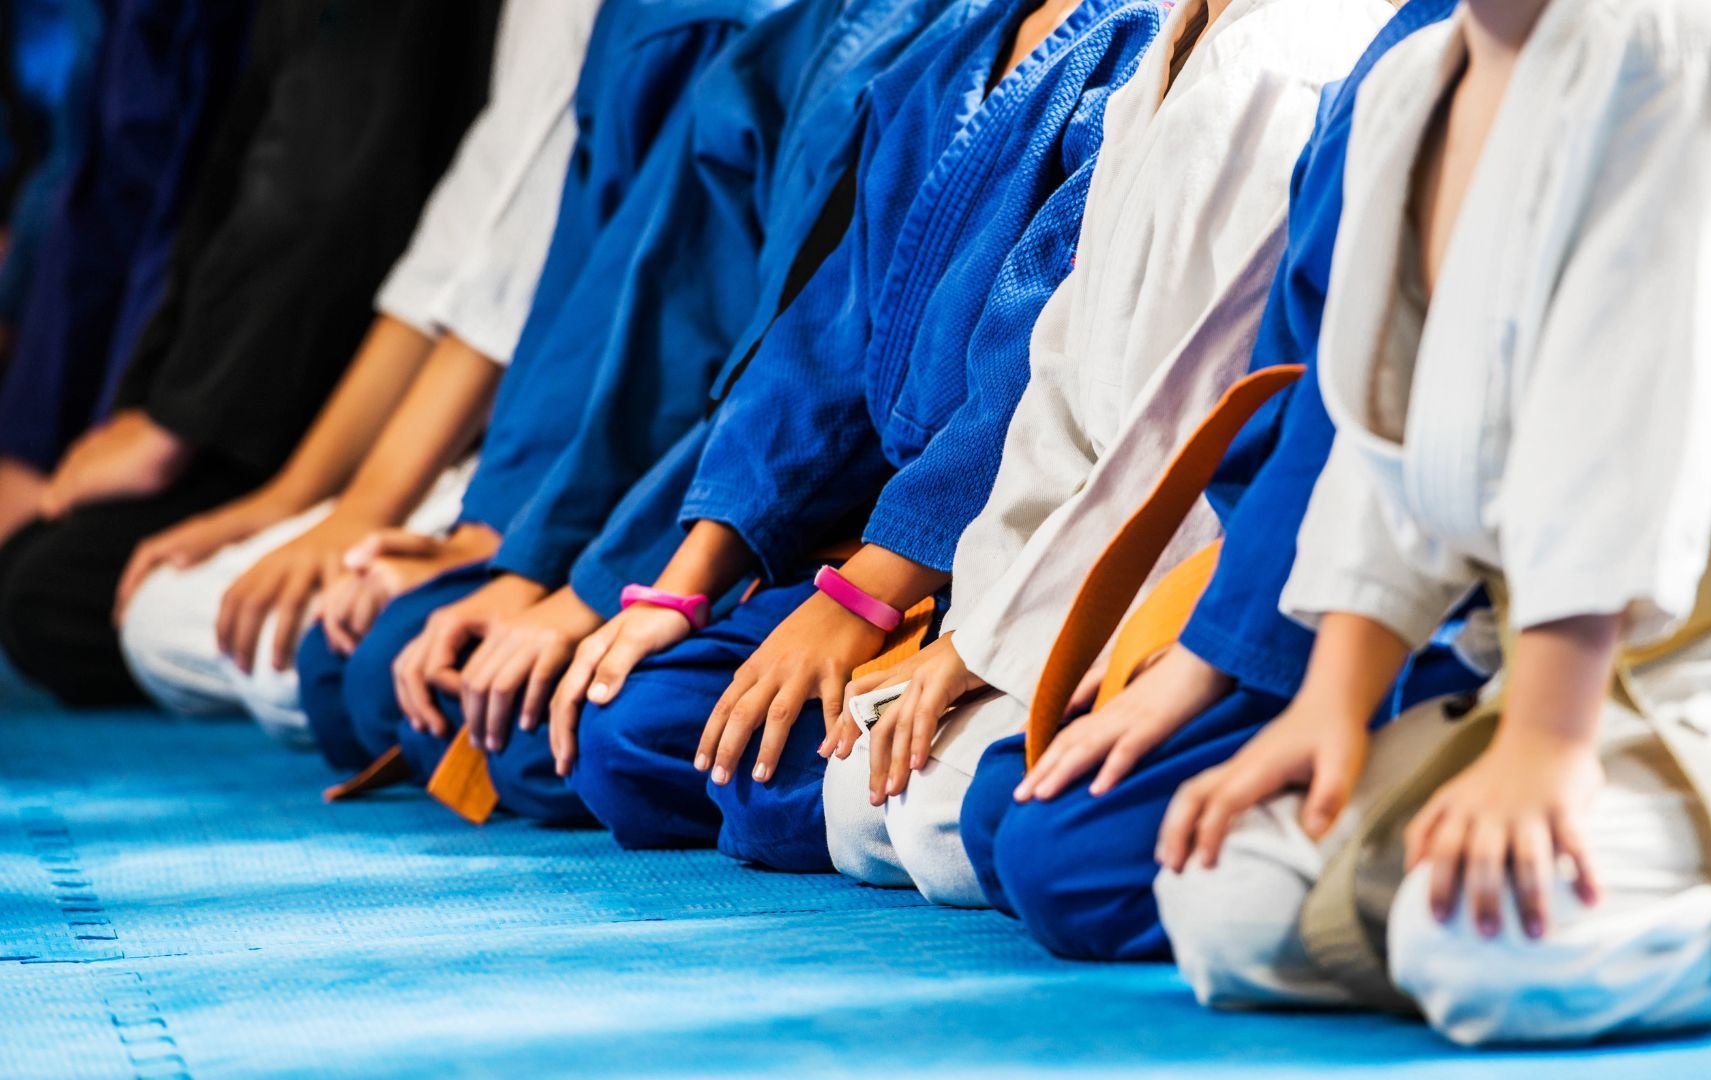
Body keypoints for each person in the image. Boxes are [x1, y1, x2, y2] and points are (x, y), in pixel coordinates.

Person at [1150, 0, 1711, 1045]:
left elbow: (1625, 410)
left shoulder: (1685, 38)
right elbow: (1388, 444)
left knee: (1483, 950)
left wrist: (1547, 738)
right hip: (1544, 664)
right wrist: (1330, 705)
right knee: (1229, 902)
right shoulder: (1412, 83)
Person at [550, 0, 1167, 874]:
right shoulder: (955, 43)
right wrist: (686, 584)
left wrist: (866, 597)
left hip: (1004, 552)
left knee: (761, 792)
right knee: (621, 729)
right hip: (880, 553)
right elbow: (824, 350)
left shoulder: (1142, 49)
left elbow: (1022, 381)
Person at [294, 0, 938, 813]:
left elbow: (838, 378)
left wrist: (608, 582)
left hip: (873, 528)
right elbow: (646, 311)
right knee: (383, 683)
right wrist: (517, 547)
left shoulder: (971, 40)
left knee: (568, 739)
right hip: (720, 495)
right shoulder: (798, 26)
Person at [819, 0, 1395, 907]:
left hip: (1190, 569)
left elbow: (1177, 436)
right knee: (857, 801)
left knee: (955, 826)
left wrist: (998, 647)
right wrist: (977, 631)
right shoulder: (1172, 52)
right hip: (1070, 565)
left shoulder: (1288, 62)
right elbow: (1052, 392)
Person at [949, 0, 1473, 961]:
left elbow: (1469, 435)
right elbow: (1321, 417)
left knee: (1058, 853)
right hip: (1320, 580)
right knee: (998, 814)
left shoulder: (1632, 52)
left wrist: (1229, 652)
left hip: (1530, 617)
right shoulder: (1418, 54)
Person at [111, 0, 600, 740]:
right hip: (511, 449)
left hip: (578, 452)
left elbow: (505, 303)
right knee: (167, 618)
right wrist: (301, 499)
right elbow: (449, 271)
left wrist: (374, 515)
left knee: (309, 663)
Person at [0, 0, 498, 708]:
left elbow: (332, 207)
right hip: (386, 415)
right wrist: (292, 495)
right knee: (62, 592)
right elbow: (439, 276)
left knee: (67, 600)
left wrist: (524, 551)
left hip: (528, 465)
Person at [0, 0, 249, 549]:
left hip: (229, 401)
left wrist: (153, 419)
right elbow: (100, 178)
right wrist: (32, 441)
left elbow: (182, 203)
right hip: (123, 372)